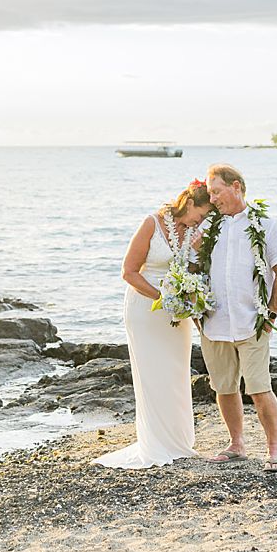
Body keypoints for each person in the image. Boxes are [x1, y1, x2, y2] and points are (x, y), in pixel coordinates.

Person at [93, 180, 213, 469]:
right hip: (145, 309)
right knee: (152, 373)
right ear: (189, 202)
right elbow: (129, 272)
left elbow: (195, 270)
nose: (203, 220)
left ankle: (178, 441)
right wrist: (162, 297)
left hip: (177, 312)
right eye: (202, 213)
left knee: (175, 372)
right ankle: (156, 442)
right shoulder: (152, 223)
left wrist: (188, 294)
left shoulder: (196, 233)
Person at [198, 164, 277, 471]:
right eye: (210, 193)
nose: (212, 199)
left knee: (258, 387)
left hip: (252, 321)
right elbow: (189, 266)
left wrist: (271, 315)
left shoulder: (267, 225)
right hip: (213, 323)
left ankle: (274, 447)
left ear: (236, 187)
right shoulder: (208, 228)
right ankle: (236, 444)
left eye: (216, 191)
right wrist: (194, 308)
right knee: (224, 387)